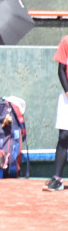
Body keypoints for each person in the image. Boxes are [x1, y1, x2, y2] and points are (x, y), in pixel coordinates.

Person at [45, 34, 68, 192]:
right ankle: (57, 179)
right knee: (64, 136)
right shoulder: (66, 41)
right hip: (67, 96)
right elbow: (61, 70)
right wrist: (67, 91)